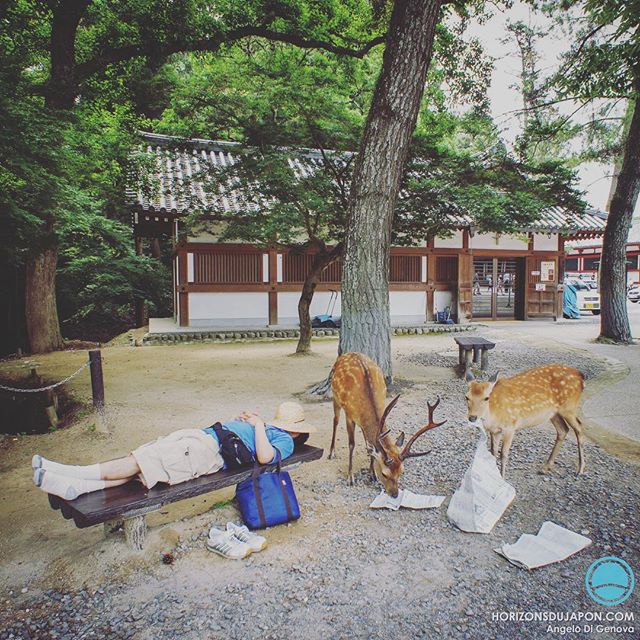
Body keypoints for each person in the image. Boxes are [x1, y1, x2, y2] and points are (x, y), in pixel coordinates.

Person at [32, 401, 316, 501]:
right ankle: (77, 488)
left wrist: (256, 426)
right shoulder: (269, 429)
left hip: (208, 453)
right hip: (201, 439)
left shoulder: (286, 442)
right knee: (144, 462)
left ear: (294, 430)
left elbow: (265, 458)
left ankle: (67, 472)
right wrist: (250, 420)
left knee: (140, 462)